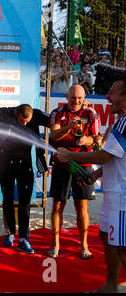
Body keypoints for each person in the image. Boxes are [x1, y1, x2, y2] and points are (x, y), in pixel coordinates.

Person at [54, 76, 126, 292]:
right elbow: (115, 158)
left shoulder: (124, 122)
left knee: (121, 247)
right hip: (112, 193)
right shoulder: (120, 121)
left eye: (112, 93)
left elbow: (104, 155)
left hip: (121, 196)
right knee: (106, 237)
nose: (106, 97)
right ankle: (110, 286)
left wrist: (70, 156)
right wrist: (96, 176)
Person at [0, 104, 50, 254]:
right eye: (22, 121)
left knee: (25, 202)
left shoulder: (36, 114)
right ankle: (10, 234)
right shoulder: (6, 112)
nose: (25, 125)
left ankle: (23, 238)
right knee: (7, 199)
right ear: (16, 114)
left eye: (27, 122)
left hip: (25, 165)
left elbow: (55, 117)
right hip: (5, 164)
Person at [48, 84, 100, 259]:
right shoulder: (57, 112)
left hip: (83, 163)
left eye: (79, 98)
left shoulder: (91, 113)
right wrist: (69, 127)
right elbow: (55, 136)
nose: (76, 101)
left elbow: (96, 142)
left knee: (82, 206)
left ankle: (84, 246)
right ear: (66, 96)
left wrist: (87, 140)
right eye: (72, 98)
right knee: (57, 205)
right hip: (62, 164)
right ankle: (55, 244)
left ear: (84, 98)